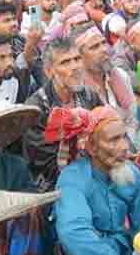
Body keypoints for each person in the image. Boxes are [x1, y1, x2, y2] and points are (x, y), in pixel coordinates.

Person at [53, 106, 140, 255]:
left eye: (124, 137)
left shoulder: (132, 175)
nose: (124, 147)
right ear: (92, 148)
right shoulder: (72, 178)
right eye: (113, 140)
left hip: (121, 247)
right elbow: (74, 231)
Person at [24, 37, 104, 192]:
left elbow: (105, 128)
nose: (75, 67)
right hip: (57, 186)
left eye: (77, 59)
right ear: (49, 71)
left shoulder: (89, 96)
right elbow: (44, 164)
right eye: (65, 62)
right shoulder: (36, 109)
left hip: (95, 171)